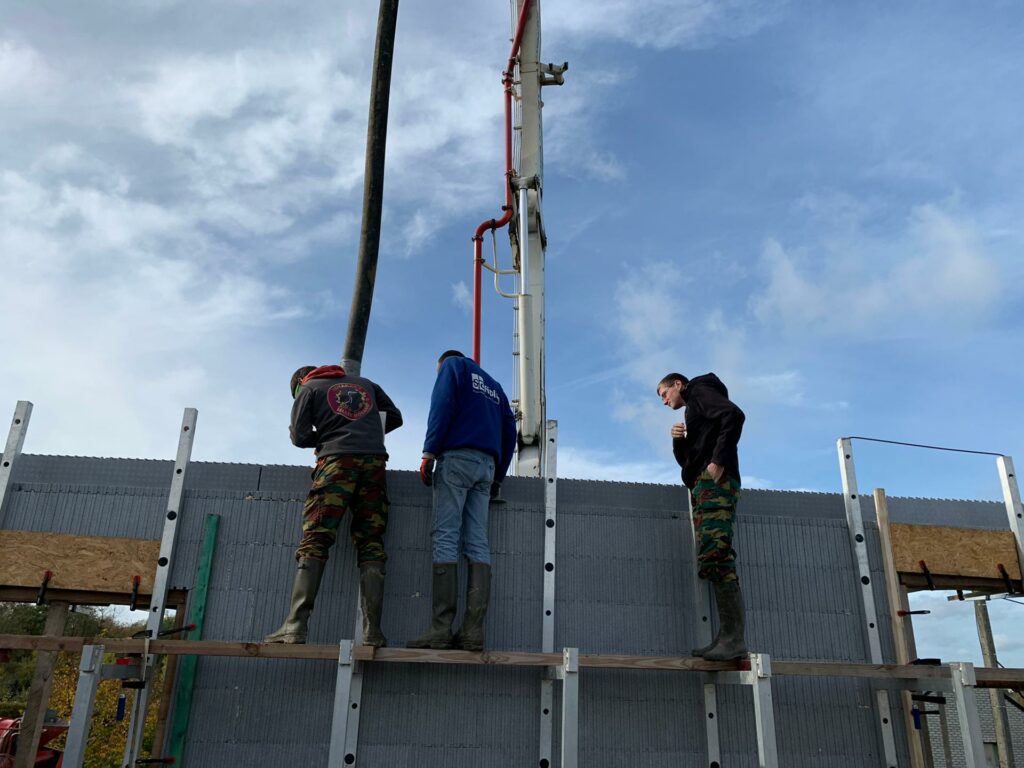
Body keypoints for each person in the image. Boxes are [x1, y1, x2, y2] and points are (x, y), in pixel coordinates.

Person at [265, 364, 402, 646]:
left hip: (337, 461)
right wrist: (362, 431)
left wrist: (331, 432)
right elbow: (396, 418)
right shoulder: (367, 383)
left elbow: (299, 436)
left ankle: (295, 626)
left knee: (315, 538)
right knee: (371, 542)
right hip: (375, 462)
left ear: (300, 382)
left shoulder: (309, 388)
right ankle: (373, 632)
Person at [407, 350, 517, 651]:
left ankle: (441, 628)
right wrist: (498, 477)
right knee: (478, 543)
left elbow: (441, 405)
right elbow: (510, 431)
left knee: (445, 536)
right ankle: (472, 632)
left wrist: (429, 451)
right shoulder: (495, 387)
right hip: (487, 467)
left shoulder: (452, 366)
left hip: (456, 459)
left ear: (441, 364)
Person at [657, 372, 747, 661]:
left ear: (678, 385)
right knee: (712, 555)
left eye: (664, 393)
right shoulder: (695, 409)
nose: (664, 400)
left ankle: (733, 639)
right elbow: (689, 464)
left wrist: (717, 463)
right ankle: (727, 638)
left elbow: (734, 416)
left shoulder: (700, 393)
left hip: (715, 485)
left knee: (717, 554)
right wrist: (679, 442)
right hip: (704, 488)